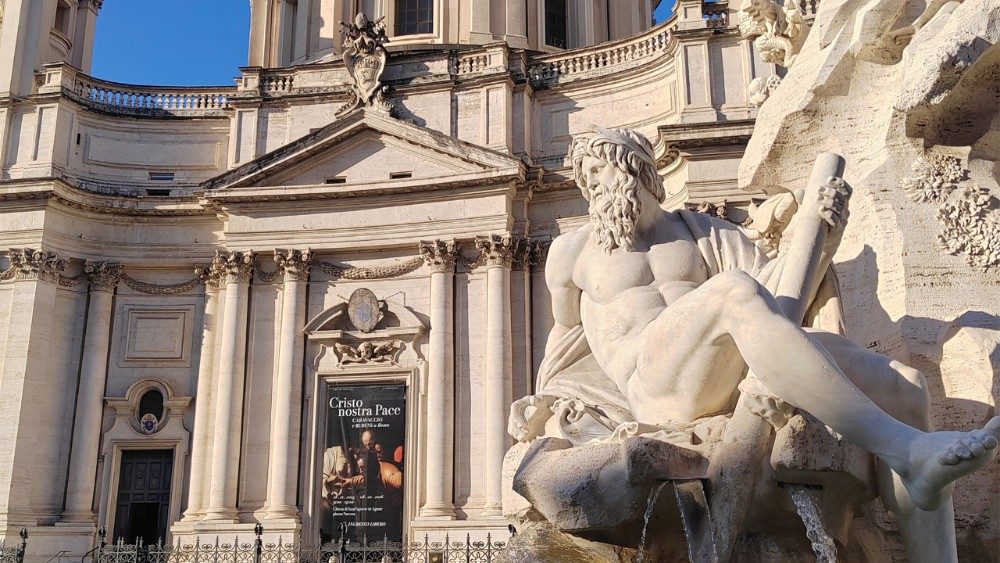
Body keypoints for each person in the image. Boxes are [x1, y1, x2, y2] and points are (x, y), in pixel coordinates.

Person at [513, 126, 1000, 561]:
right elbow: (566, 339)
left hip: (724, 370)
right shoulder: (572, 251)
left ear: (632, 168)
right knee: (733, 291)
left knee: (906, 386)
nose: (589, 185)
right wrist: (547, 403)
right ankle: (905, 448)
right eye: (585, 176)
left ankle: (925, 493)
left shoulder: (703, 231)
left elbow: (782, 293)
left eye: (597, 170)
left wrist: (824, 236)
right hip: (653, 385)